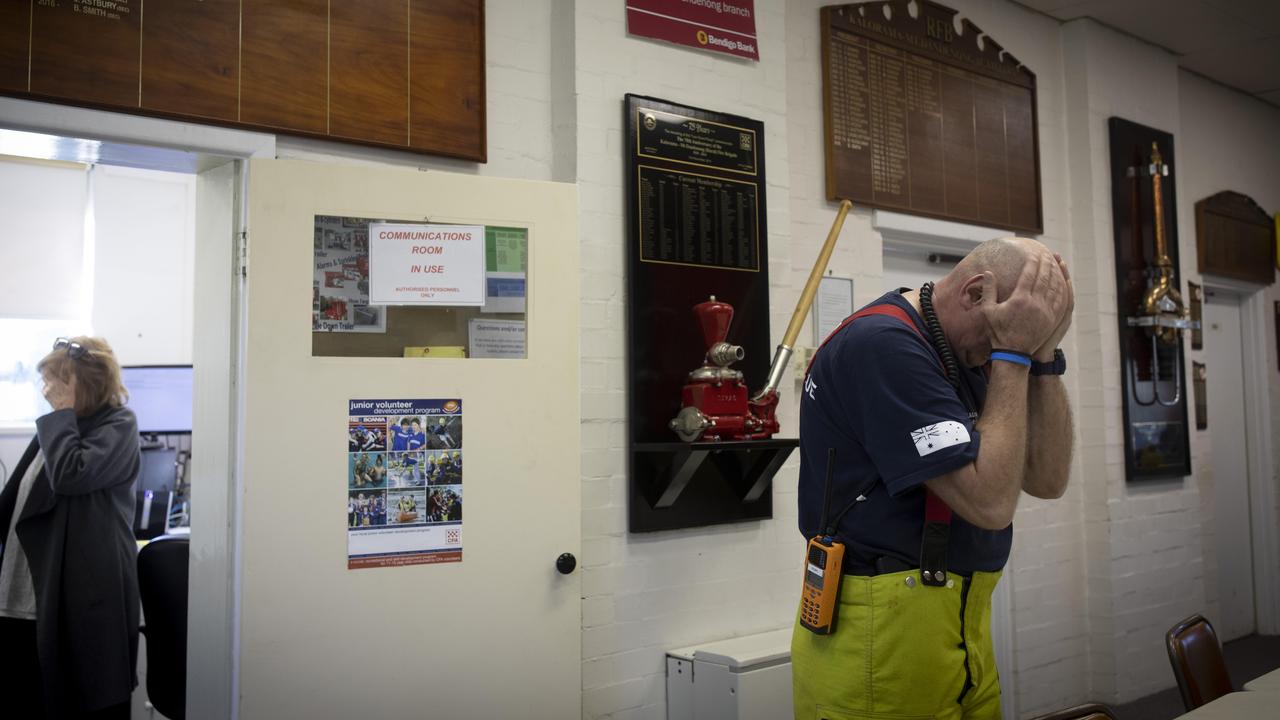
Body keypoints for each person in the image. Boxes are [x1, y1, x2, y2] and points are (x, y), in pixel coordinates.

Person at [792, 238, 1074, 720]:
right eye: (1006, 328)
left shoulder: (968, 351)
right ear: (974, 293)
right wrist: (1012, 354)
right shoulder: (882, 345)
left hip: (960, 622)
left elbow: (1048, 479)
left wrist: (1043, 353)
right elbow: (990, 504)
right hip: (883, 635)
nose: (1003, 348)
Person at [0, 336, 142, 719]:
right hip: (20, 602)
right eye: (46, 382)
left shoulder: (117, 425)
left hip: (77, 607)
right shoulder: (56, 428)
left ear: (88, 382)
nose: (48, 392)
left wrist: (61, 415)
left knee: (83, 703)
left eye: (58, 382)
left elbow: (70, 475)